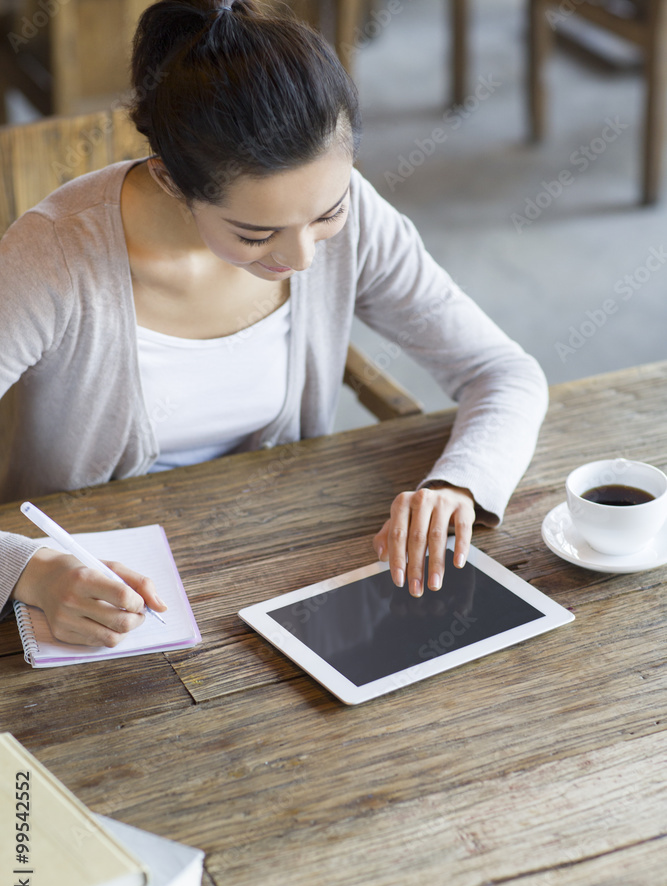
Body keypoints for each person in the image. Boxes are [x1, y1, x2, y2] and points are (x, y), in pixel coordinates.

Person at [0, 0, 548, 649]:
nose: (302, 258)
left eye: (327, 212)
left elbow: (502, 372)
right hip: (93, 598)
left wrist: (459, 481)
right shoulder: (53, 259)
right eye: (256, 233)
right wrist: (26, 569)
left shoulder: (358, 222)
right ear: (172, 183)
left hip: (275, 563)